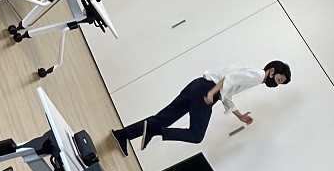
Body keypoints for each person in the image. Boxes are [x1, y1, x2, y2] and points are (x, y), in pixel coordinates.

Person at [112, 62, 292, 153]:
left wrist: (239, 116)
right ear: (271, 71)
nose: (275, 84)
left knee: (164, 118)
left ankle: (122, 134)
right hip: (205, 92)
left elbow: (227, 93)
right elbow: (227, 81)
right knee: (196, 135)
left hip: (198, 85)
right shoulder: (257, 76)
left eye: (279, 83)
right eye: (278, 80)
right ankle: (154, 130)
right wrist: (211, 93)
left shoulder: (251, 72)